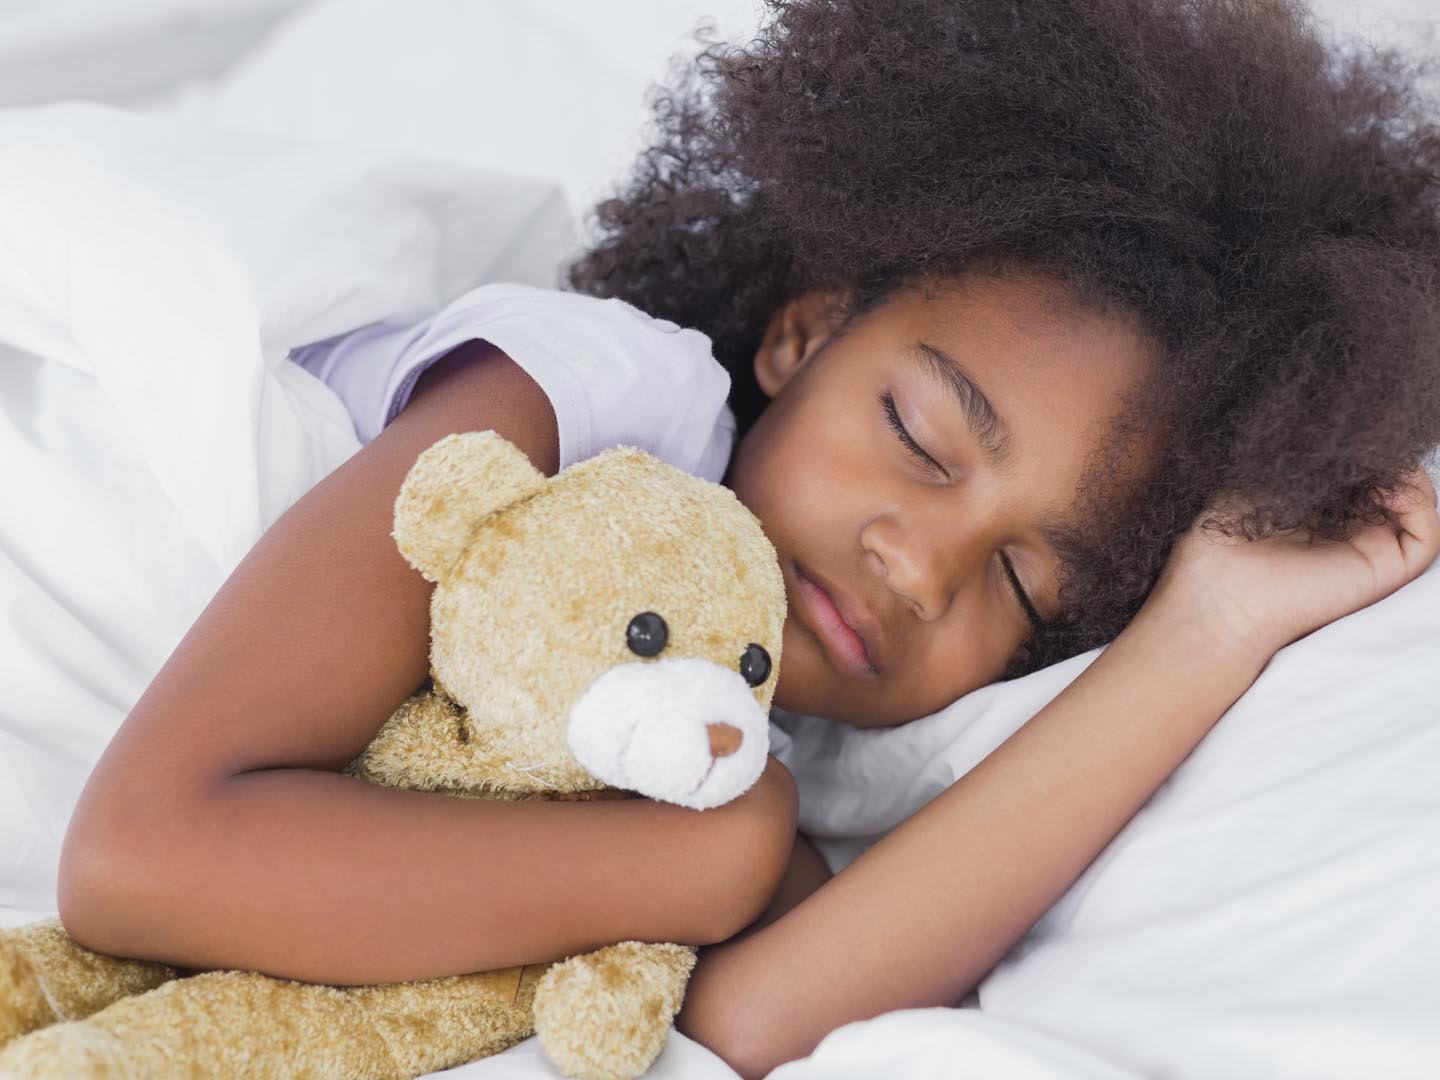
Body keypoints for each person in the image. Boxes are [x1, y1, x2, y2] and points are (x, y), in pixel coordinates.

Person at [56, 0, 1440, 1076]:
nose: (922, 564)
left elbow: (748, 1021)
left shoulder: (749, 735)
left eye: (1024, 579)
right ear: (803, 332)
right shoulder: (586, 403)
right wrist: (705, 863)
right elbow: (140, 859)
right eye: (918, 434)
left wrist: (1210, 630)